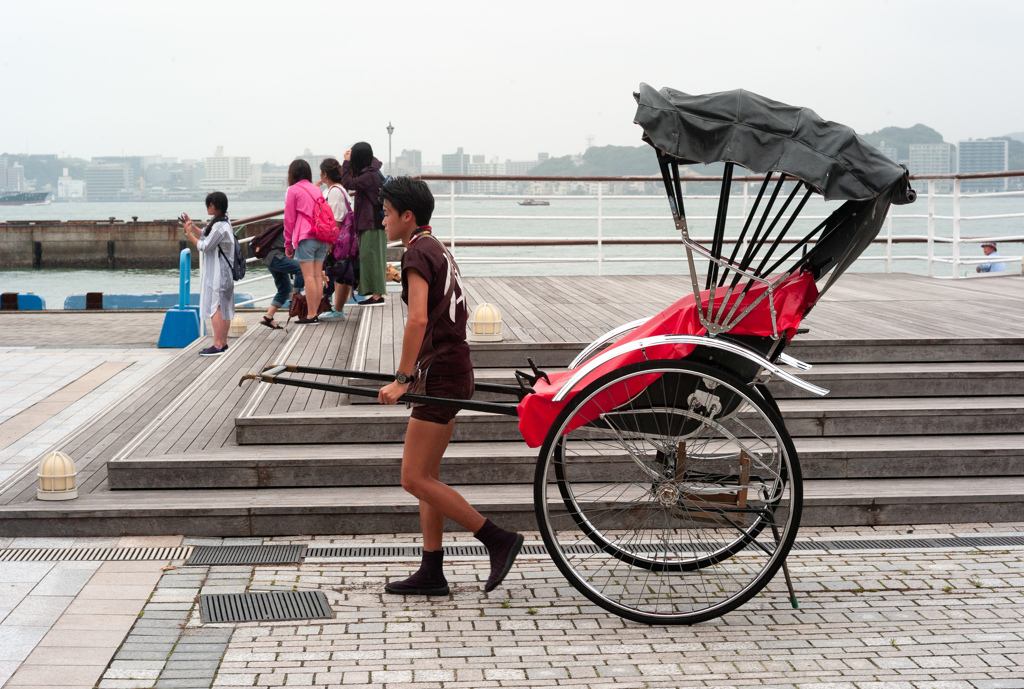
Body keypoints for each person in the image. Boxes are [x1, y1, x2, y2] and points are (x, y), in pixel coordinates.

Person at [376, 176, 523, 596]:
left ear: (408, 216)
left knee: (411, 478)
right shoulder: (435, 246)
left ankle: (497, 538)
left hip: (441, 372)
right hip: (455, 368)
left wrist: (402, 379)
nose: (382, 219)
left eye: (387, 213)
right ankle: (432, 569)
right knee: (428, 475)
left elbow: (418, 319)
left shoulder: (416, 254)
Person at [182, 192, 235, 356]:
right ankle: (223, 343)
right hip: (226, 273)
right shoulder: (223, 222)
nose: (207, 207)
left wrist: (189, 234)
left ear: (215, 206)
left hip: (218, 274)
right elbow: (205, 234)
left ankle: (217, 344)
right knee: (224, 308)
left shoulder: (220, 226)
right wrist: (192, 227)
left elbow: (205, 246)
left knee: (215, 308)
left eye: (209, 204)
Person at [284, 159, 329, 324]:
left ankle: (311, 315)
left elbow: (289, 220)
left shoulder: (293, 190)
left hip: (306, 237)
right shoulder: (316, 190)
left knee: (309, 276)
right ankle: (314, 313)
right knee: (317, 276)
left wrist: (288, 244)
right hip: (322, 237)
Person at [341, 142, 386, 306]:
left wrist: (346, 164)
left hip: (372, 223)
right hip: (370, 223)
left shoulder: (369, 176)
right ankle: (375, 294)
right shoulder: (371, 172)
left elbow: (348, 184)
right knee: (370, 258)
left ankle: (377, 296)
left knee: (373, 258)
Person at [318, 158, 355, 320]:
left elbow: (336, 218)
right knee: (341, 272)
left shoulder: (334, 191)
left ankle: (337, 309)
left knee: (339, 272)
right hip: (342, 237)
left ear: (325, 174)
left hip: (337, 238)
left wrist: (331, 241)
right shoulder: (338, 189)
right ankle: (336, 308)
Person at [258, 223, 304, 329]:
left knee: (284, 289)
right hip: (275, 256)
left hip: (270, 257)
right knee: (301, 269)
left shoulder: (288, 225)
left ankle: (268, 317)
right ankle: (296, 298)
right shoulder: (296, 226)